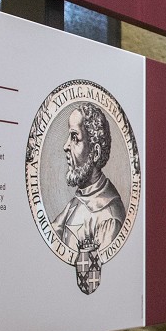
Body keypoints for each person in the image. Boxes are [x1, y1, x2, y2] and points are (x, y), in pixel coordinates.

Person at [50, 101, 126, 252]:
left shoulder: (109, 217)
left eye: (74, 137)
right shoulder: (78, 201)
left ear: (95, 153)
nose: (66, 146)